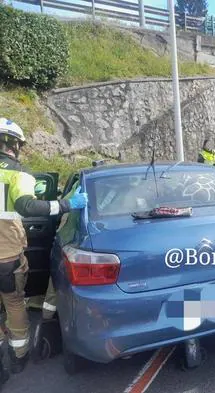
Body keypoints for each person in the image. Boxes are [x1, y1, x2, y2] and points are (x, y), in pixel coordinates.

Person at [0, 118, 88, 385]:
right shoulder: (17, 174)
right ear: (14, 144)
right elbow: (28, 206)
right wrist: (65, 204)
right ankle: (19, 355)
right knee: (14, 303)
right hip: (5, 256)